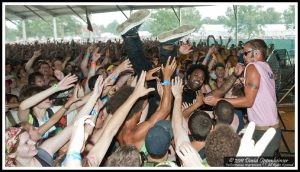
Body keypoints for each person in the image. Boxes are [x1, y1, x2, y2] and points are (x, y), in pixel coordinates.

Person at [204, 39, 281, 157]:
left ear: (256, 53)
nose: (243, 56)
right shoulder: (266, 66)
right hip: (270, 126)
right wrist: (243, 81)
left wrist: (218, 101)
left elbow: (249, 101)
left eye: (245, 53)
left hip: (263, 129)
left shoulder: (252, 66)